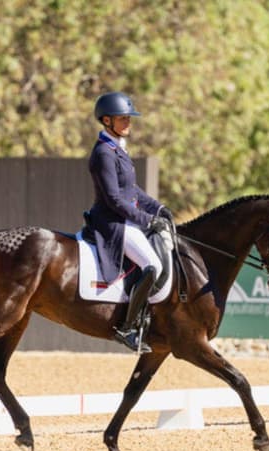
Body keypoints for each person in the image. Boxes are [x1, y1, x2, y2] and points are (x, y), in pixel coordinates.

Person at [86, 91, 174, 353]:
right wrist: (147, 220)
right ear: (107, 120)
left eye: (129, 118)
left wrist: (158, 208)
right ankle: (126, 328)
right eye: (123, 118)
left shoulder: (117, 148)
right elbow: (114, 199)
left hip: (126, 219)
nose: (129, 122)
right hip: (113, 222)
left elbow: (132, 191)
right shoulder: (104, 153)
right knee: (152, 265)